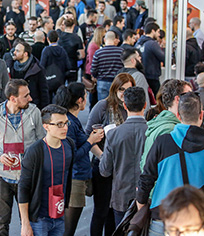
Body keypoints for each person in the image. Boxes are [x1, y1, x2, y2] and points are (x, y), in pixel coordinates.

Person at [137, 92, 204, 236]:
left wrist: (141, 207)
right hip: (195, 221)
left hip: (162, 217)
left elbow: (146, 179)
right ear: (201, 114)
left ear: (178, 116)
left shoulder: (163, 142)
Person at [0, 79, 45, 236]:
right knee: (0, 224)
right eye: (26, 96)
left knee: (30, 223)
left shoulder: (35, 113)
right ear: (13, 98)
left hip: (27, 177)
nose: (30, 99)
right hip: (2, 178)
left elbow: (42, 142)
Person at [84, 73, 136, 236]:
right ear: (114, 88)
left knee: (118, 212)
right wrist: (103, 157)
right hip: (102, 166)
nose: (124, 93)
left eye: (128, 90)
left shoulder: (132, 109)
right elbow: (88, 137)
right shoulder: (103, 106)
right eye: (121, 89)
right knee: (101, 211)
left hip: (123, 170)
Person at [18, 104, 75, 236]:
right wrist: (25, 224)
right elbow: (23, 187)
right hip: (39, 218)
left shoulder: (69, 145)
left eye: (66, 123)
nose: (65, 127)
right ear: (46, 126)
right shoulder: (35, 151)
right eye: (59, 124)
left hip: (59, 213)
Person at [54, 83, 103, 235]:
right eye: (86, 96)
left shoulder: (71, 120)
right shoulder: (69, 123)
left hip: (75, 179)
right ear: (80, 100)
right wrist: (91, 141)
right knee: (68, 229)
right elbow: (72, 155)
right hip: (73, 181)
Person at [99, 86, 148, 226]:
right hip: (146, 197)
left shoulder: (114, 134)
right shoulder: (151, 132)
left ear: (125, 105)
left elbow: (104, 170)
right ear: (145, 105)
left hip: (121, 196)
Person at [140, 79, 192, 170]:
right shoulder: (170, 130)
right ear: (177, 99)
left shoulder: (161, 124)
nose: (194, 100)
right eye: (189, 96)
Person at [8, 41, 49, 109]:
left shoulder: (37, 69)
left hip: (32, 106)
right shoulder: (11, 66)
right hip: (15, 106)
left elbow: (44, 91)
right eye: (15, 50)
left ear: (25, 54)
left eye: (17, 51)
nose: (14, 52)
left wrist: (43, 110)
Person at [91, 31, 124, 101]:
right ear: (114, 40)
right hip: (117, 82)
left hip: (102, 82)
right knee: (116, 105)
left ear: (104, 40)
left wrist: (97, 76)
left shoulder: (98, 53)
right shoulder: (121, 52)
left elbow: (93, 70)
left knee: (103, 106)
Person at [40, 30, 71, 100]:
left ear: (47, 39)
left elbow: (42, 65)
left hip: (49, 79)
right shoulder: (62, 50)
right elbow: (68, 65)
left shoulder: (46, 50)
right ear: (58, 39)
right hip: (60, 79)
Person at [135, 22, 164, 96]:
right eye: (158, 31)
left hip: (141, 75)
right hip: (152, 77)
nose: (159, 34)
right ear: (153, 31)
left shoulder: (138, 43)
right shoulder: (152, 44)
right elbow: (163, 58)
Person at [58, 18, 84, 82]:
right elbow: (82, 55)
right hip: (72, 66)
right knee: (72, 88)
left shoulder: (59, 36)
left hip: (61, 66)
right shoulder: (77, 38)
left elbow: (57, 25)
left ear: (64, 25)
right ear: (73, 26)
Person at [85, 26, 105, 108]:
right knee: (93, 97)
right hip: (92, 73)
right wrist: (93, 75)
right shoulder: (93, 46)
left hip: (94, 72)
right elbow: (92, 61)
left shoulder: (97, 45)